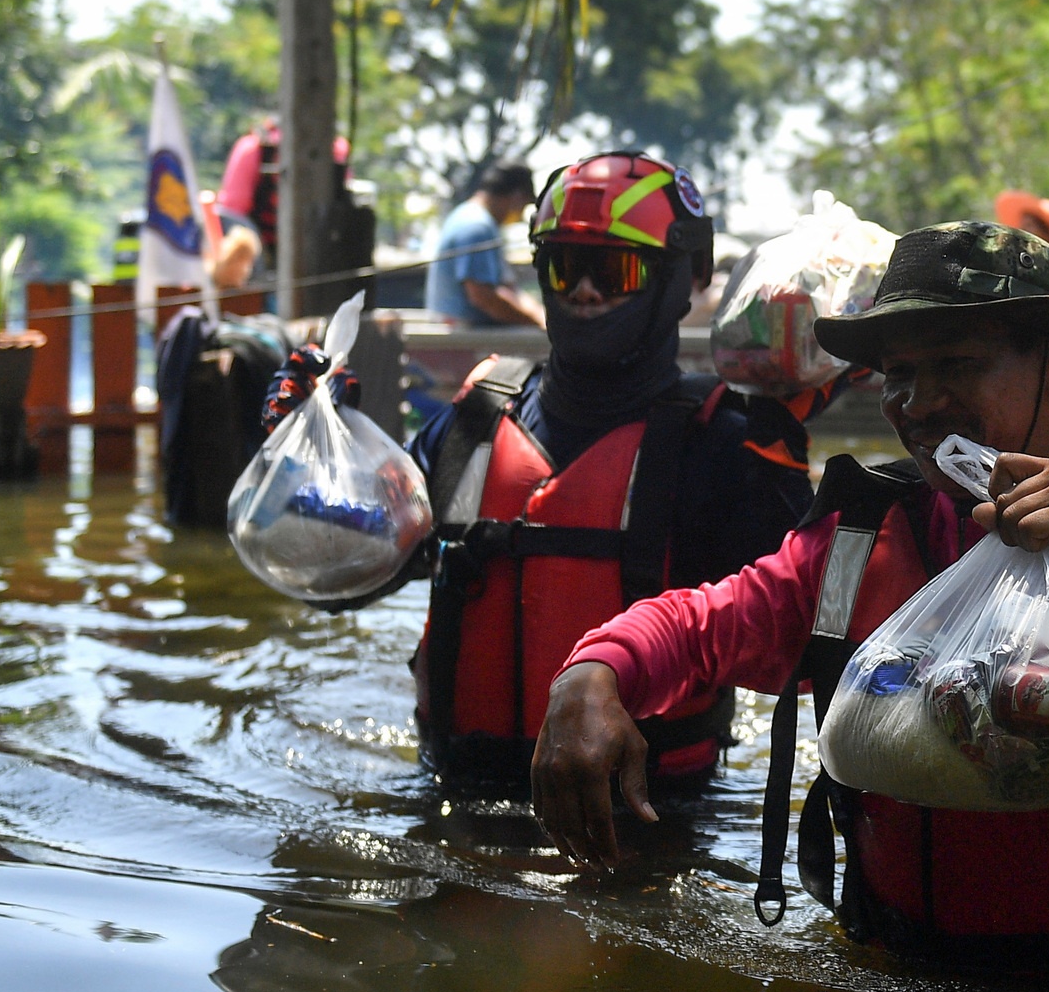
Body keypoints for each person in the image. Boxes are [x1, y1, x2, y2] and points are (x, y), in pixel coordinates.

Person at [529, 221, 1049, 985]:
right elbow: (699, 625)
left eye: (956, 364)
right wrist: (593, 674)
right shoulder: (859, 541)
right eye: (900, 374)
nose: (919, 405)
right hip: (908, 987)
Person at [262, 153, 820, 788]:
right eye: (562, 266)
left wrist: (786, 471)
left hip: (649, 816)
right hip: (455, 795)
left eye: (614, 270)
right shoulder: (474, 422)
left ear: (683, 278)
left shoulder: (725, 445)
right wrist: (304, 455)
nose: (584, 290)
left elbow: (804, 648)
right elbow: (337, 577)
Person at [212, 118, 350, 291]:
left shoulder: (251, 147)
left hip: (301, 254)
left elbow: (232, 210)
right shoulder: (338, 150)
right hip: (291, 254)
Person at [426, 164, 544, 329]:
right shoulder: (477, 226)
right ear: (516, 197)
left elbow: (507, 290)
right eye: (523, 205)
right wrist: (537, 323)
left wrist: (540, 315)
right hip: (465, 336)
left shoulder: (474, 217)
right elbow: (483, 296)